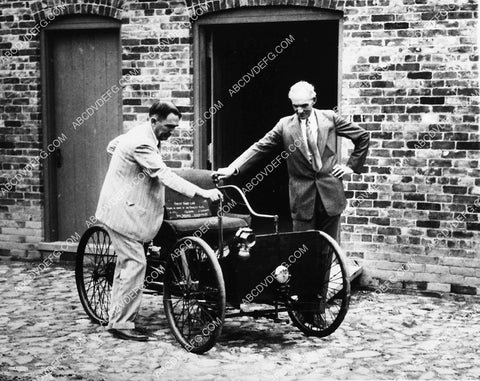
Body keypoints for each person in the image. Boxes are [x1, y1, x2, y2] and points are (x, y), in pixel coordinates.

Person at [95, 101, 222, 341]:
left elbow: (112, 146)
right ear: (154, 120)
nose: (171, 132)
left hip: (128, 208)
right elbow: (164, 174)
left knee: (127, 266)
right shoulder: (141, 141)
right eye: (168, 126)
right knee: (135, 263)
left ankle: (117, 318)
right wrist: (203, 193)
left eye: (174, 127)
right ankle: (121, 323)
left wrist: (126, 166)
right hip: (123, 212)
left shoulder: (140, 134)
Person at [215, 81, 370, 241]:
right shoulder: (285, 125)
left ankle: (326, 267)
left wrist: (351, 167)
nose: (300, 110)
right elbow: (260, 146)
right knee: (302, 248)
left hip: (330, 194)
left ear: (314, 100)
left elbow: (362, 136)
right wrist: (233, 168)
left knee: (329, 248)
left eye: (304, 105)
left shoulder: (330, 118)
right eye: (295, 106)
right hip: (302, 198)